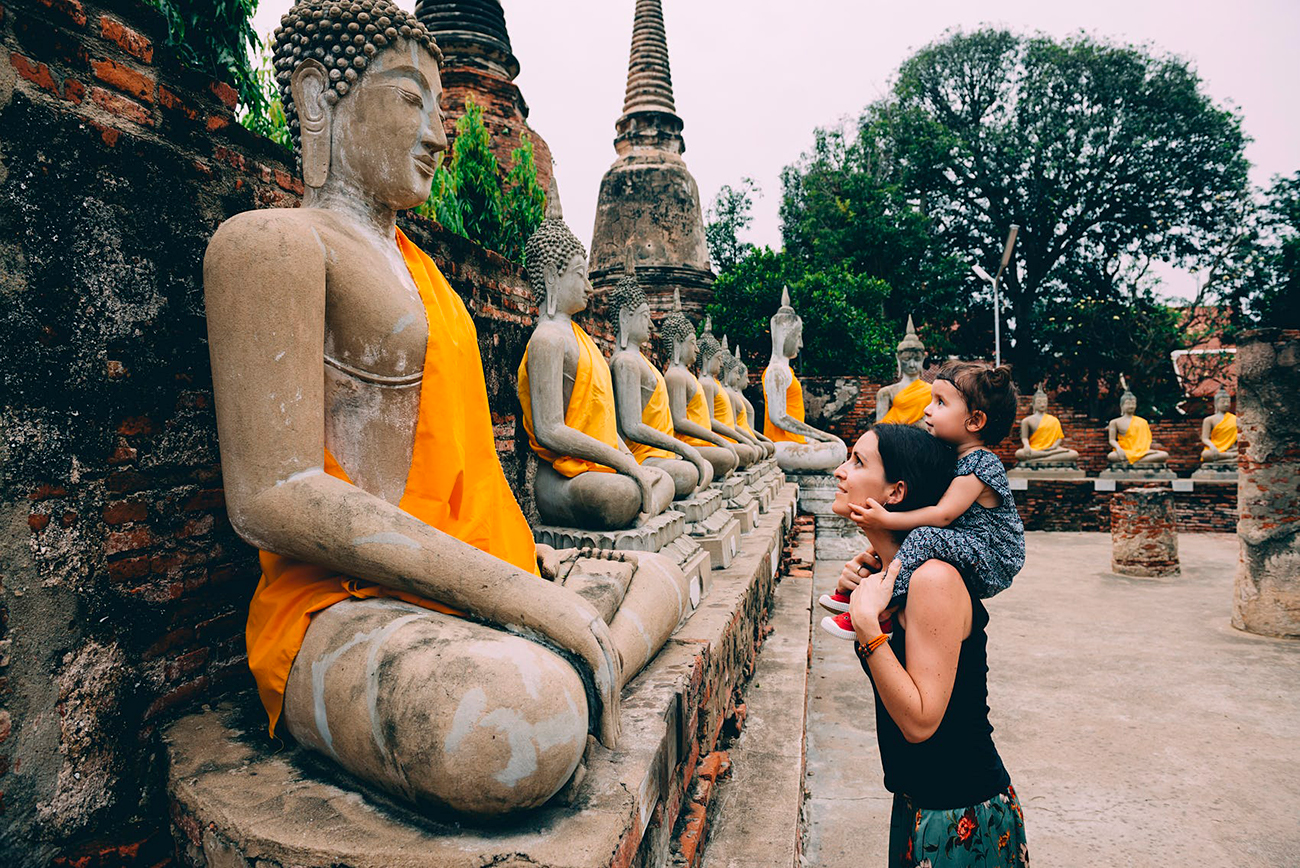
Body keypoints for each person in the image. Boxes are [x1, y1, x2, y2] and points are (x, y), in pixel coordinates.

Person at [831, 424, 1029, 866]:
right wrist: (870, 605)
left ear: (896, 493)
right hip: (915, 800)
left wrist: (867, 626)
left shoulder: (934, 578)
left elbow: (920, 721)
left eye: (858, 462)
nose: (841, 472)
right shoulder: (893, 578)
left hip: (960, 812)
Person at [820, 363, 1025, 635]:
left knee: (923, 537)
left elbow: (943, 515)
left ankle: (883, 608)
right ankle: (860, 588)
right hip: (966, 543)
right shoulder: (952, 458)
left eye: (940, 403)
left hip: (992, 555)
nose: (928, 409)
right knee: (904, 545)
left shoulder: (981, 463)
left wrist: (887, 518)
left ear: (975, 421)